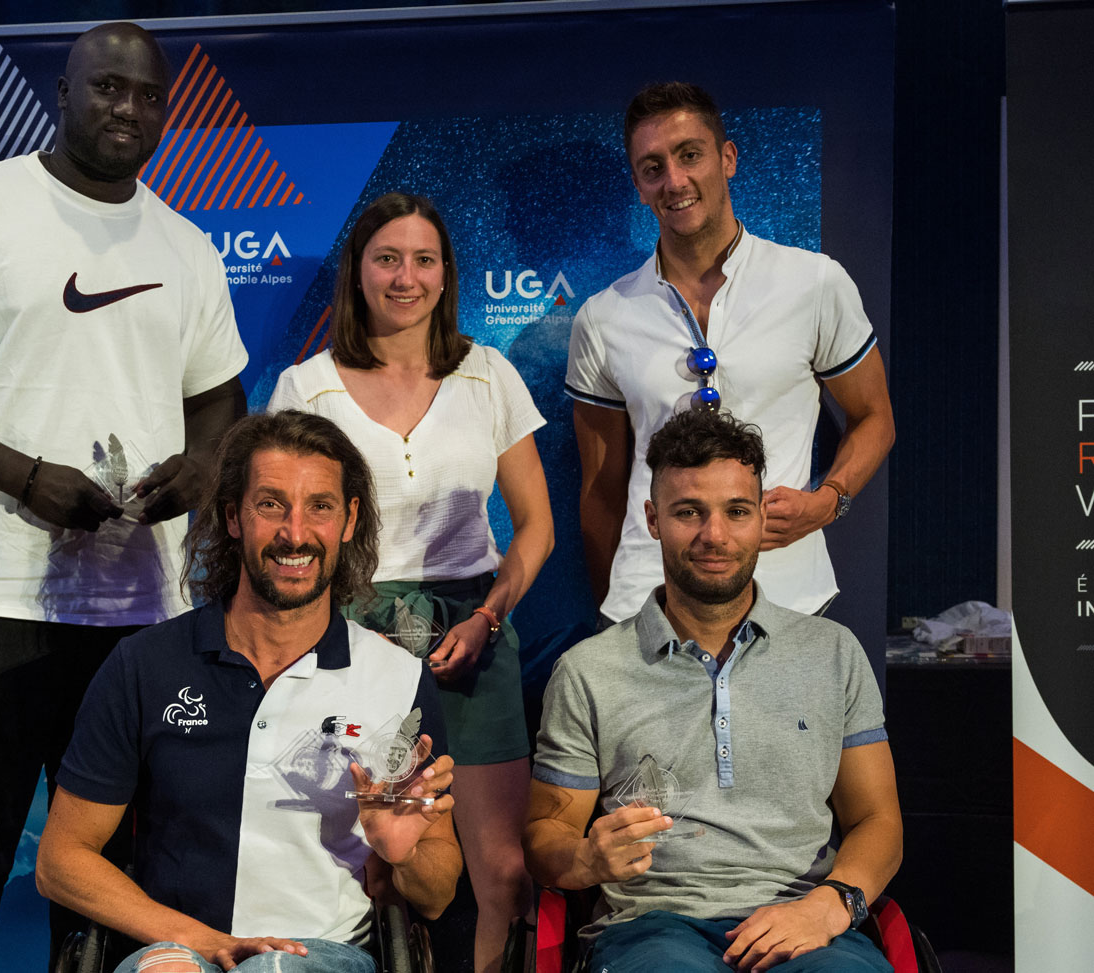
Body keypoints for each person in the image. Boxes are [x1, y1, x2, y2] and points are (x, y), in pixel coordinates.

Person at [0, 22, 248, 972]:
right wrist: (22, 477)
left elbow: (222, 399)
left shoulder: (186, 246)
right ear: (61, 93)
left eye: (148, 95)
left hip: (139, 613)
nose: (127, 109)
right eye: (106, 87)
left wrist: (200, 466)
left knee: (114, 872)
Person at [35, 410, 463, 972]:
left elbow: (437, 893)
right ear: (233, 516)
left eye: (320, 506)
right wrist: (198, 941)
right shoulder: (145, 664)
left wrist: (402, 855)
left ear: (349, 519)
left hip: (325, 952)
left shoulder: (397, 678)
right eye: (271, 504)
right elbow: (61, 860)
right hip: (176, 946)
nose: (295, 533)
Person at [267, 192, 553, 973]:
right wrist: (356, 633)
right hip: (354, 631)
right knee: (385, 859)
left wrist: (489, 617)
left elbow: (536, 526)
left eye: (423, 259)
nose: (406, 277)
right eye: (387, 258)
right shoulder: (308, 386)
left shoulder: (487, 374)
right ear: (358, 273)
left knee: (500, 868)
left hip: (475, 625)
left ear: (445, 273)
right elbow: (294, 525)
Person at [523, 409, 902, 972]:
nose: (715, 535)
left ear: (760, 518)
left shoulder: (833, 652)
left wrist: (830, 906)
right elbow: (544, 836)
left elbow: (878, 821)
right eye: (688, 512)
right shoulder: (587, 671)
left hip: (807, 924)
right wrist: (584, 858)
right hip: (652, 931)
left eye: (737, 511)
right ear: (652, 519)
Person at [567, 81, 895, 624]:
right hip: (649, 600)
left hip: (786, 594)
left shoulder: (813, 283)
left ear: (728, 158)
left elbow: (874, 417)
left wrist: (827, 501)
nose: (674, 180)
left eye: (689, 155)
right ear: (638, 185)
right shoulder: (603, 317)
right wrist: (621, 614)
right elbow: (600, 491)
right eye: (653, 168)